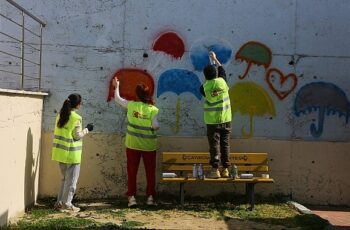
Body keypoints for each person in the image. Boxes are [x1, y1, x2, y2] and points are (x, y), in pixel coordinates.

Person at [113, 78, 159, 208]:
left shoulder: (131, 105)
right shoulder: (152, 109)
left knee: (132, 171)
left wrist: (117, 85)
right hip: (149, 146)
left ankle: (132, 198)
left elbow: (117, 99)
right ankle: (150, 197)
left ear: (137, 94)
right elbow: (155, 125)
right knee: (150, 172)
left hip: (132, 145)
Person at [52, 94, 94, 212]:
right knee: (71, 182)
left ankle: (59, 203)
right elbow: (77, 136)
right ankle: (67, 204)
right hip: (71, 154)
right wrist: (87, 129)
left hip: (60, 152)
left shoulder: (60, 115)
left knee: (64, 179)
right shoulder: (76, 118)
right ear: (78, 105)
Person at [200, 51, 232, 179]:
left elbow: (208, 81)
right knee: (225, 144)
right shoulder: (223, 83)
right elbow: (222, 70)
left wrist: (210, 64)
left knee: (214, 145)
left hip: (212, 121)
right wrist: (215, 59)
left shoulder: (204, 88)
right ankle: (225, 169)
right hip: (226, 119)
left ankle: (215, 170)